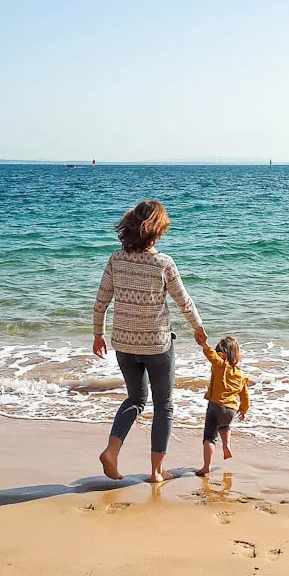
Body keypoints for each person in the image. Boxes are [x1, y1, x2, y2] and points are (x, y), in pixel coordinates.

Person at [93, 200, 206, 483]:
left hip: (124, 344)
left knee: (135, 399)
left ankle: (111, 451)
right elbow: (184, 301)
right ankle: (156, 472)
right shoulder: (163, 263)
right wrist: (198, 328)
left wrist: (98, 334)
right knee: (164, 405)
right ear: (157, 231)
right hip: (157, 345)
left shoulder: (116, 259)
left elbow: (101, 301)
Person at [196, 333, 249, 477]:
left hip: (216, 406)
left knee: (209, 437)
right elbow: (244, 395)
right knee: (225, 426)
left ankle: (206, 466)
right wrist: (243, 409)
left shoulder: (219, 364)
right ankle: (226, 445)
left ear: (222, 354)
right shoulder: (240, 374)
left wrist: (205, 344)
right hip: (231, 410)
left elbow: (210, 355)